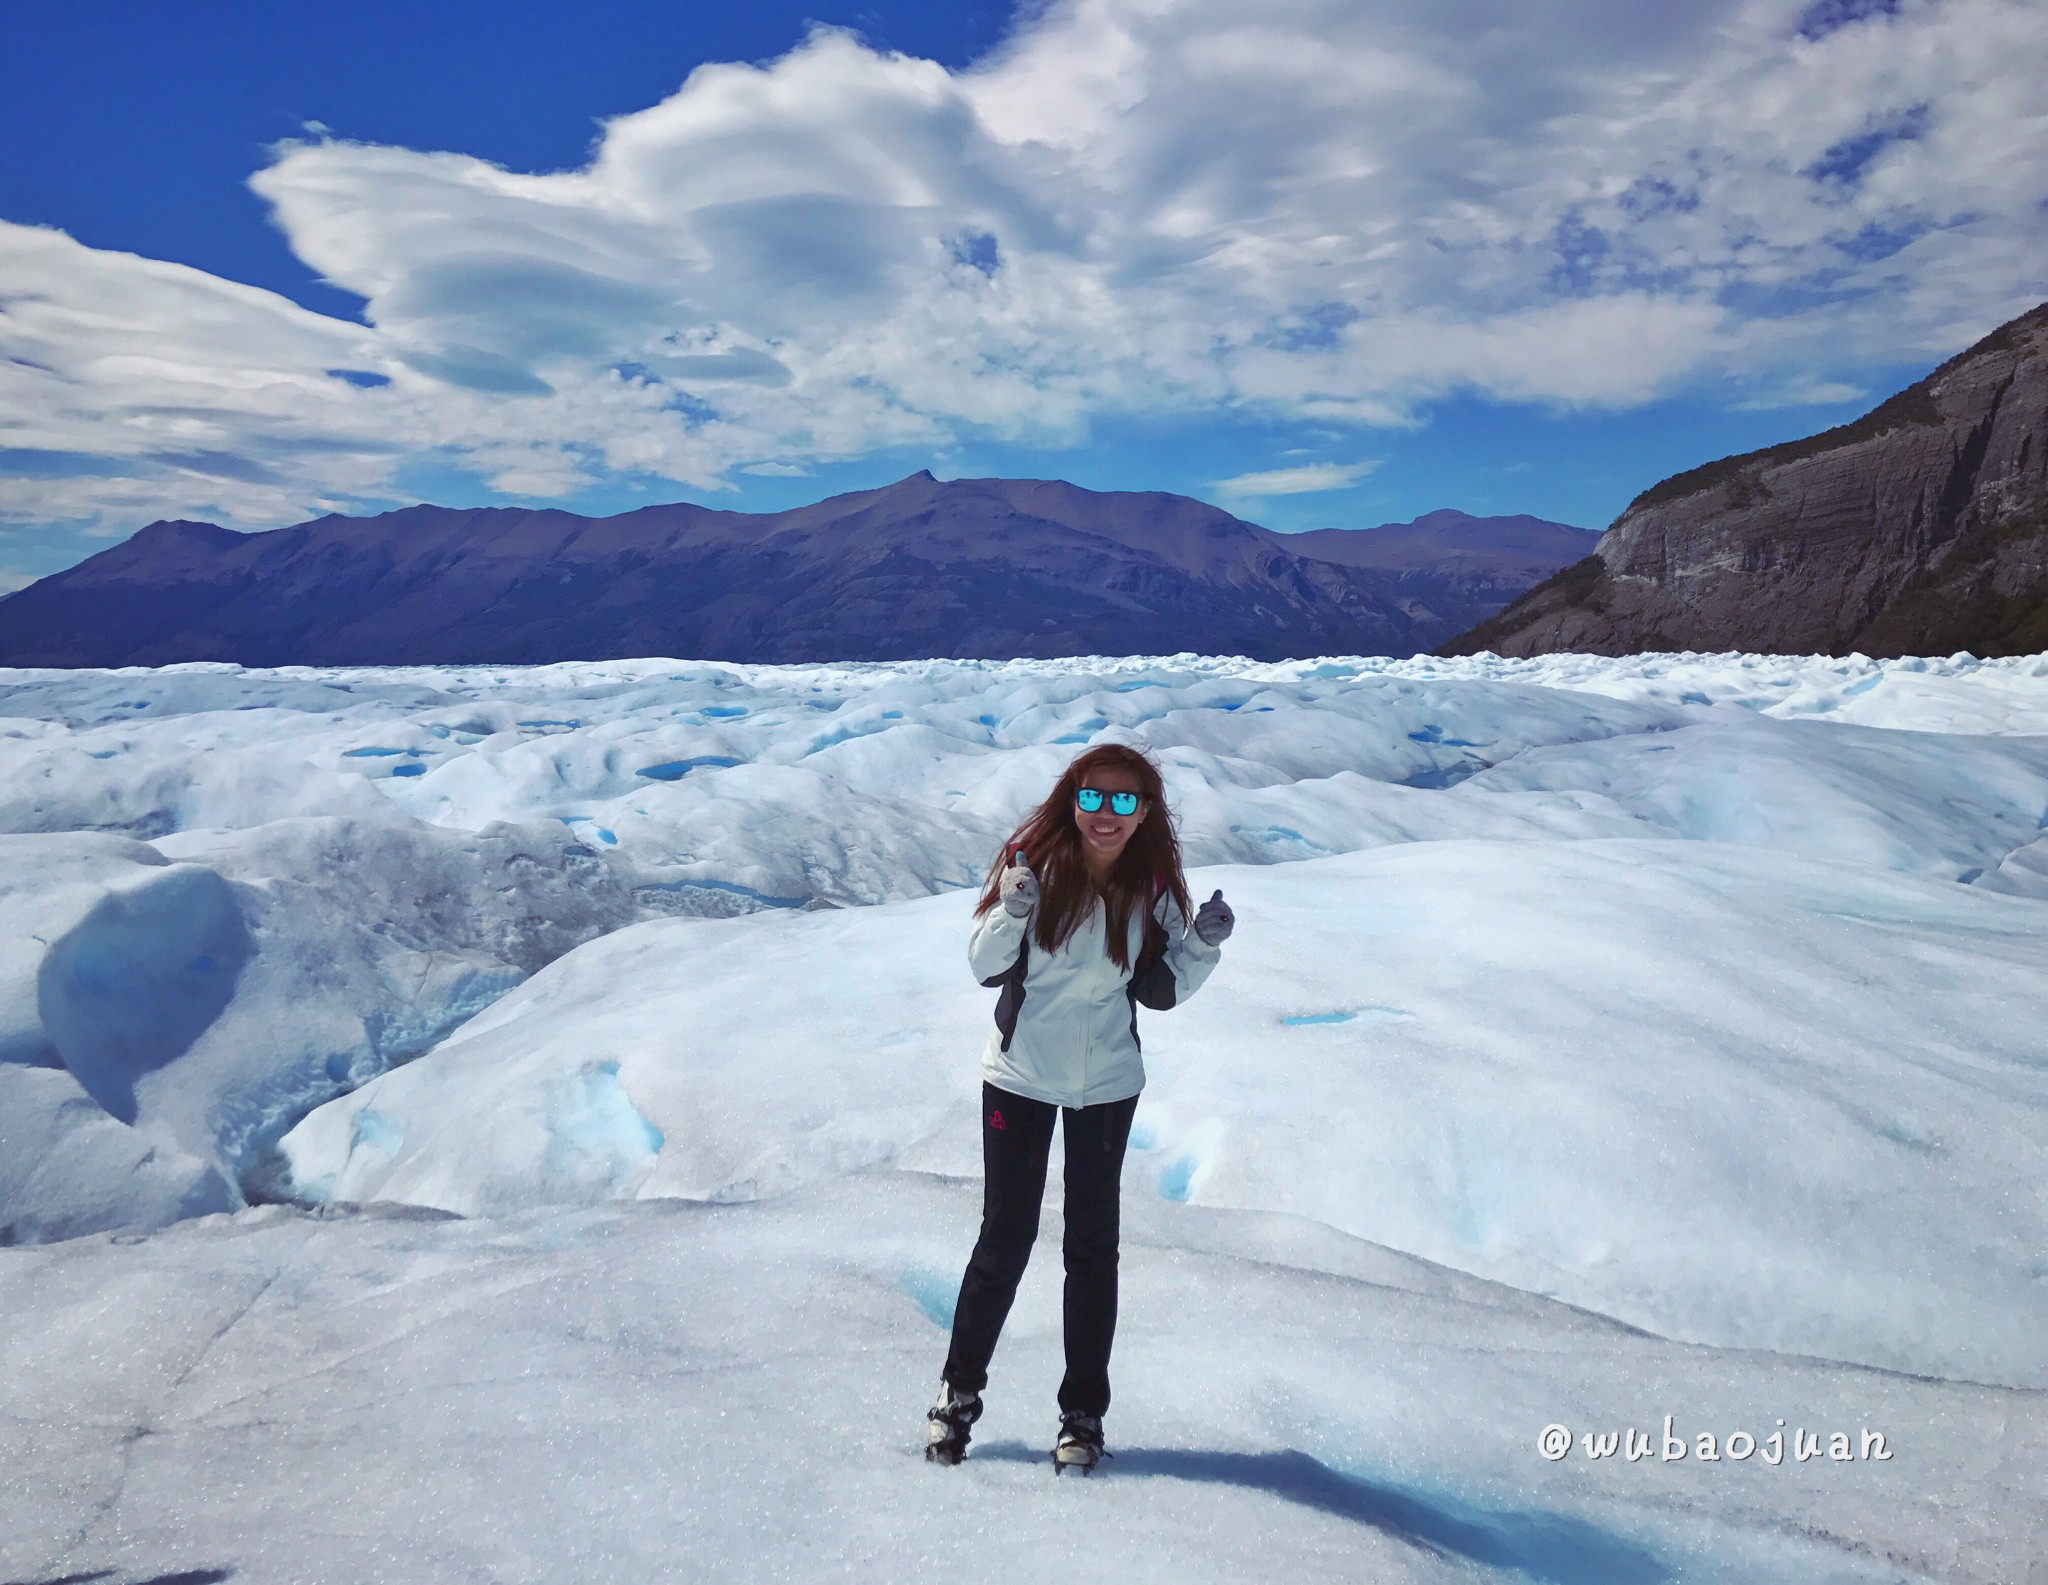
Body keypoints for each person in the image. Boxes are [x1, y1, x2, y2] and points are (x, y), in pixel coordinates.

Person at [924, 742, 1235, 1474]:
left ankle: (1082, 1416)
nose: (1106, 813)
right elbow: (983, 966)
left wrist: (1201, 947)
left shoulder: (1151, 890)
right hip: (1021, 1077)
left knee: (1092, 1250)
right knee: (1005, 1239)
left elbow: (1155, 990)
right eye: (1093, 796)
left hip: (1106, 1086)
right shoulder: (1032, 871)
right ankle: (957, 1398)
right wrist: (1010, 910)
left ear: (1146, 812)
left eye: (1124, 800)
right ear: (1072, 798)